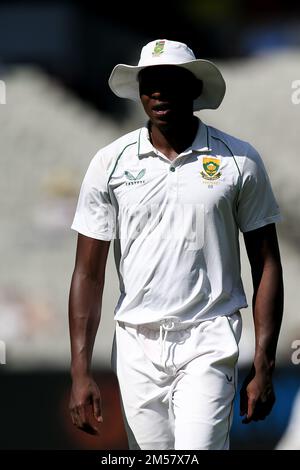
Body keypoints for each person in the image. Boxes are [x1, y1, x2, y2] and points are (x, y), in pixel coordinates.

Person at [68, 39, 284, 450]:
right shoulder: (110, 163)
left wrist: (264, 361)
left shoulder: (239, 160)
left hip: (209, 337)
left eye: (170, 83)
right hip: (135, 343)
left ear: (193, 89)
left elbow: (267, 264)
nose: (159, 94)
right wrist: (80, 370)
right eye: (150, 84)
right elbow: (87, 273)